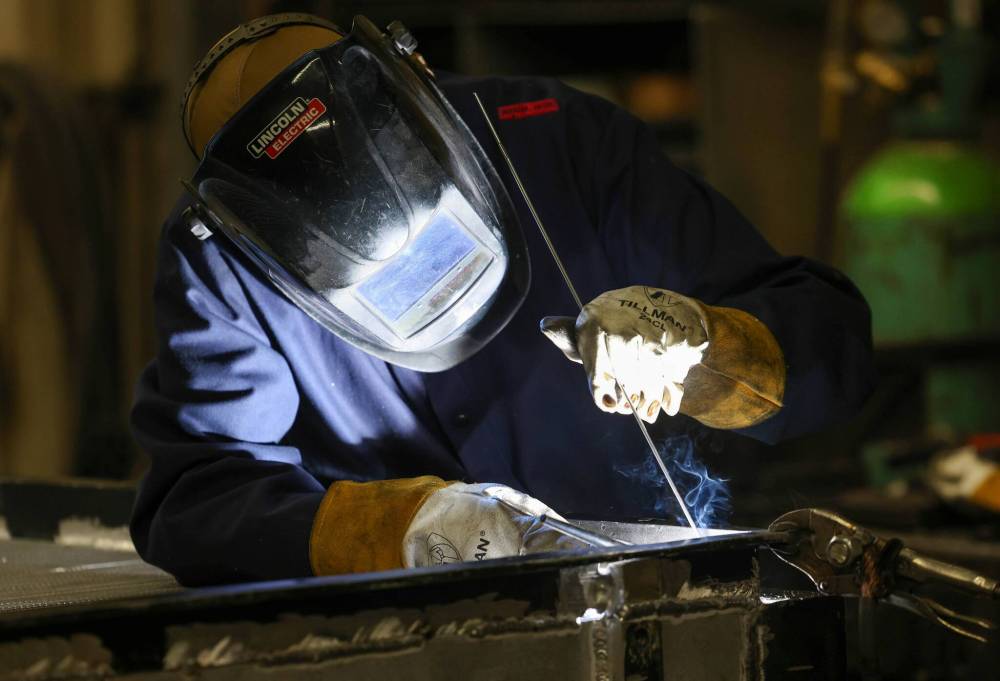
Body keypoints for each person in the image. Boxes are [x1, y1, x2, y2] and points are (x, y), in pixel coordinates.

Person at [131, 14, 875, 586]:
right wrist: (398, 528)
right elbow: (197, 502)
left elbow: (833, 340)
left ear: (412, 80)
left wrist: (710, 350)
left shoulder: (561, 141)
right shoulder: (226, 255)